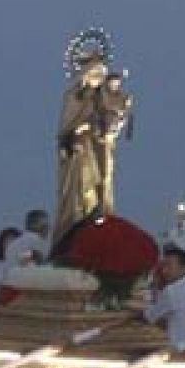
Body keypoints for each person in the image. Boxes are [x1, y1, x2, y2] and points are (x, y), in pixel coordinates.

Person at [53, 31, 134, 246]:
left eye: (102, 75)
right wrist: (83, 128)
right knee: (80, 191)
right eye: (95, 74)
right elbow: (66, 129)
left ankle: (100, 219)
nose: (99, 79)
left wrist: (115, 119)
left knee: (101, 188)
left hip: (98, 149)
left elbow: (112, 119)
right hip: (78, 150)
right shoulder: (74, 96)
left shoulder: (102, 99)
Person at [138, 245, 185, 348]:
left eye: (169, 266)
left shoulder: (172, 290)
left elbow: (148, 317)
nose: (164, 271)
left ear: (184, 267)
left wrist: (130, 314)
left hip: (180, 350)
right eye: (164, 266)